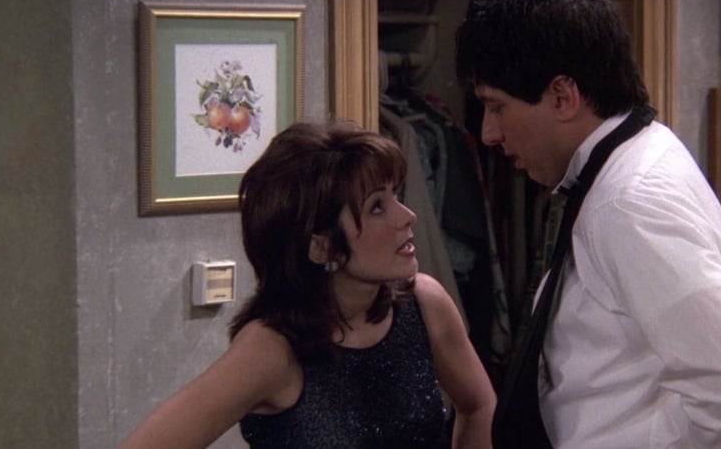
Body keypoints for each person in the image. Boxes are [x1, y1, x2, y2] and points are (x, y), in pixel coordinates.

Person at [455, 0, 721, 448]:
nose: (489, 133)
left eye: (497, 107)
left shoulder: (630, 201)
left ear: (563, 97)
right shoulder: (624, 168)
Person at [120, 121, 496, 449]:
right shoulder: (271, 349)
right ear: (321, 246)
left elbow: (480, 406)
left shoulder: (425, 304)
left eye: (395, 196)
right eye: (377, 207)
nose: (408, 216)